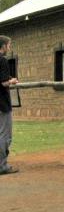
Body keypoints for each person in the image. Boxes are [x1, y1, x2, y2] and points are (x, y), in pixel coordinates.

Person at [0, 35, 19, 175]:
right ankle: (2, 166)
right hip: (2, 104)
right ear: (4, 46)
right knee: (5, 135)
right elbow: (3, 82)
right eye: (8, 45)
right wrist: (12, 81)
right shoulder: (2, 61)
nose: (9, 48)